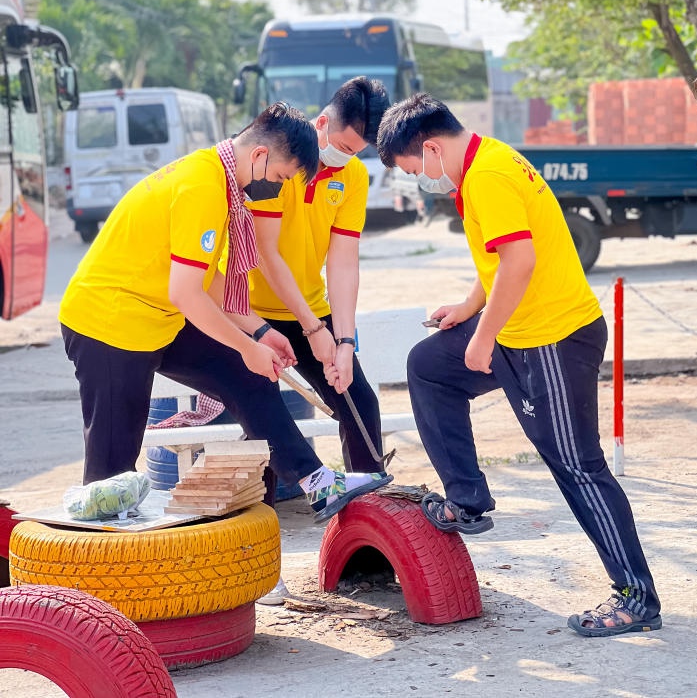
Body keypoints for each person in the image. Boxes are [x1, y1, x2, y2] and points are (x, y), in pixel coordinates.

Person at [376, 93, 661, 638]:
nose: (421, 181)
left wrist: (480, 338)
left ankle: (636, 597)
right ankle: (467, 500)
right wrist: (468, 308)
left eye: (415, 170)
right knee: (430, 367)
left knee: (577, 466)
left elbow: (520, 261)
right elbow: (497, 261)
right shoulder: (481, 164)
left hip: (552, 340)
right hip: (516, 330)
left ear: (432, 148)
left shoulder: (488, 176)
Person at [59, 102, 391, 524]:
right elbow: (187, 293)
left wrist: (258, 331)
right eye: (279, 177)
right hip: (109, 321)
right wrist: (244, 344)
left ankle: (318, 484)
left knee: (248, 377)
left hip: (159, 314)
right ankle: (99, 568)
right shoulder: (203, 186)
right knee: (112, 466)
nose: (275, 187)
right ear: (259, 155)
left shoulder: (221, 179)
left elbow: (207, 278)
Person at [187, 77, 392, 605]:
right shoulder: (278, 162)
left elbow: (344, 260)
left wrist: (342, 340)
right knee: (262, 426)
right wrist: (313, 331)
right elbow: (269, 257)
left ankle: (367, 550)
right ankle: (262, 567)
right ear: (323, 124)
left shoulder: (354, 180)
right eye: (344, 147)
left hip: (313, 313)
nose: (347, 159)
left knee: (358, 401)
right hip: (250, 312)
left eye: (359, 153)